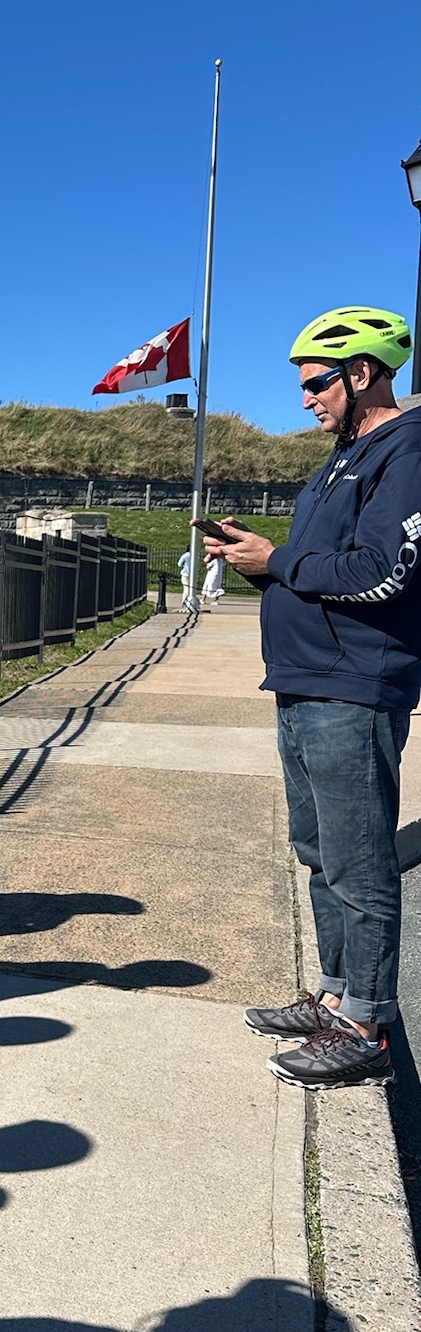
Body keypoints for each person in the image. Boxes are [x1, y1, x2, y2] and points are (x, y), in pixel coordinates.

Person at [216, 306, 420, 1088]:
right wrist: (263, 562)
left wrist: (281, 560)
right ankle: (336, 993)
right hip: (305, 681)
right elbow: (320, 560)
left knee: (361, 861)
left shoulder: (405, 450)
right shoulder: (341, 456)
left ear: (360, 374)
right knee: (318, 851)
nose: (305, 399)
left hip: (354, 684)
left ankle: (366, 1026)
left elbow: (383, 570)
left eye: (315, 384)